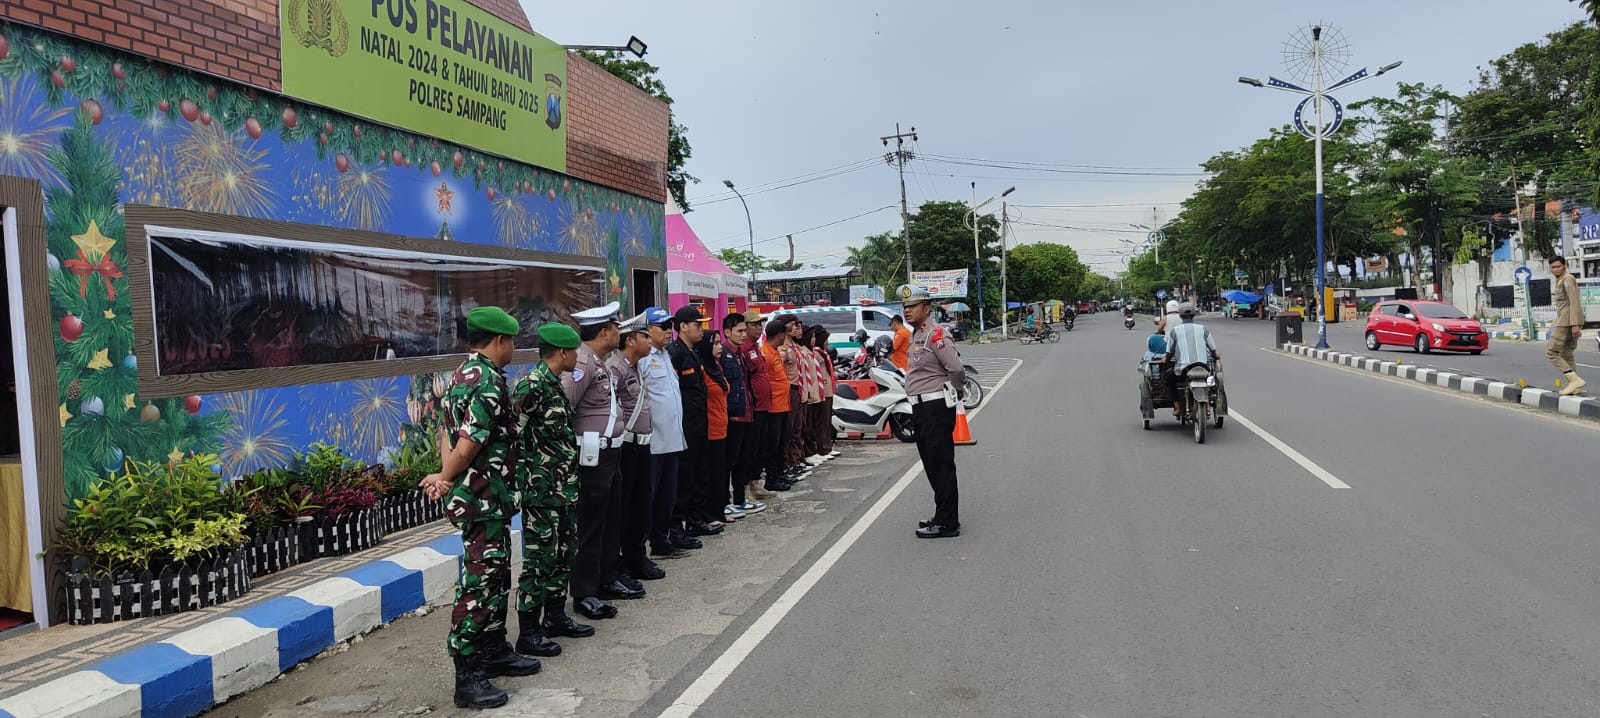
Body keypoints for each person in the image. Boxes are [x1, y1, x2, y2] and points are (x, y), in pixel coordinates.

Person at [420, 306, 539, 710]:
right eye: (512, 343)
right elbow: (469, 439)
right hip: (482, 499)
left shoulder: (460, 375)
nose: (513, 349)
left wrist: (443, 470)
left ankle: (493, 648)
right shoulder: (486, 380)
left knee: (497, 573)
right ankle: (467, 673)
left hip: (487, 497)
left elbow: (445, 431)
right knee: (481, 582)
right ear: (500, 341)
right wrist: (447, 478)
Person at [508, 321, 590, 661]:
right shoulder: (531, 386)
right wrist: (523, 485)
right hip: (541, 493)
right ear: (561, 352)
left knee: (562, 554)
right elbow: (515, 438)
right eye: (574, 352)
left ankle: (555, 617)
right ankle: (529, 631)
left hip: (564, 489)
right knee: (539, 560)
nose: (577, 358)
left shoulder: (555, 384)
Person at [562, 302, 625, 622]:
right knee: (590, 524)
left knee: (610, 518)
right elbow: (565, 406)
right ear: (604, 333)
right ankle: (585, 592)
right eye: (616, 328)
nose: (619, 332)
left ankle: (606, 578)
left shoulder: (599, 360)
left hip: (610, 452)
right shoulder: (582, 363)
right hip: (592, 454)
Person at [898, 285, 966, 539]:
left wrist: (954, 393)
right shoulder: (917, 335)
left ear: (926, 309)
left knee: (940, 464)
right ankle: (942, 514)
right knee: (931, 464)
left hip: (935, 406)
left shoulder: (936, 334)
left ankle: (948, 522)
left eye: (912, 306)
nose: (907, 310)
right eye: (905, 307)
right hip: (921, 407)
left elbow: (956, 369)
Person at [606, 312, 663, 592]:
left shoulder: (637, 366)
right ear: (630, 341)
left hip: (643, 444)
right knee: (623, 509)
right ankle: (621, 565)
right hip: (625, 446)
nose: (649, 341)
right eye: (644, 336)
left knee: (641, 504)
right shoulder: (614, 369)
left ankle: (637, 558)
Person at [641, 307, 697, 557]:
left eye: (668, 327)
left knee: (667, 496)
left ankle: (662, 541)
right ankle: (643, 546)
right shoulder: (643, 358)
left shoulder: (665, 355)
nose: (667, 332)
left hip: (673, 439)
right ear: (647, 330)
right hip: (653, 441)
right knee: (649, 496)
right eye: (662, 327)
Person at [668, 306, 720, 537]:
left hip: (700, 422)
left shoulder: (694, 352)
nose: (702, 330)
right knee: (685, 475)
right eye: (698, 325)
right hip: (685, 425)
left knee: (701, 471)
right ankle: (678, 525)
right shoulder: (675, 353)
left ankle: (695, 519)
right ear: (683, 327)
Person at [720, 314, 768, 516]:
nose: (743, 334)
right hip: (734, 417)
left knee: (745, 458)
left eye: (743, 330)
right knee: (731, 461)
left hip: (748, 411)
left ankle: (740, 499)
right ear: (727, 332)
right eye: (739, 331)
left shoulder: (739, 353)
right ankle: (727, 502)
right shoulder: (723, 354)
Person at [696, 332, 735, 523]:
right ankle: (708, 514)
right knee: (709, 474)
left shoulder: (716, 367)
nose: (720, 347)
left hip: (722, 427)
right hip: (709, 428)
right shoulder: (701, 369)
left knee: (720, 473)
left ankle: (719, 510)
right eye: (716, 343)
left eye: (720, 343)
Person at [1163, 302, 1221, 416]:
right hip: (1203, 367)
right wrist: (1216, 356)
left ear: (1180, 316)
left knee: (1168, 379)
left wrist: (1166, 359)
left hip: (1183, 369)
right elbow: (1213, 349)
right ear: (1194, 315)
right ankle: (1208, 404)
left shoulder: (1175, 331)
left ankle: (1177, 406)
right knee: (1212, 381)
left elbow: (1169, 351)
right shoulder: (1203, 329)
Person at [759, 320, 795, 492]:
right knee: (773, 446)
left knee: (782, 443)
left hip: (782, 405)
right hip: (773, 407)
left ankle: (780, 474)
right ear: (780, 335)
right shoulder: (765, 353)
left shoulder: (773, 351)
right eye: (784, 333)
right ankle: (772, 478)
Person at [1549, 256, 1587, 396]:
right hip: (1566, 320)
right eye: (1553, 267)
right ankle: (1576, 386)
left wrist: (1574, 324)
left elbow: (1574, 301)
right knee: (1566, 353)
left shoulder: (1567, 279)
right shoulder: (1559, 280)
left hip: (1567, 322)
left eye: (1558, 266)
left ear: (1564, 265)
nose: (1555, 269)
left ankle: (1574, 380)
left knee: (1552, 352)